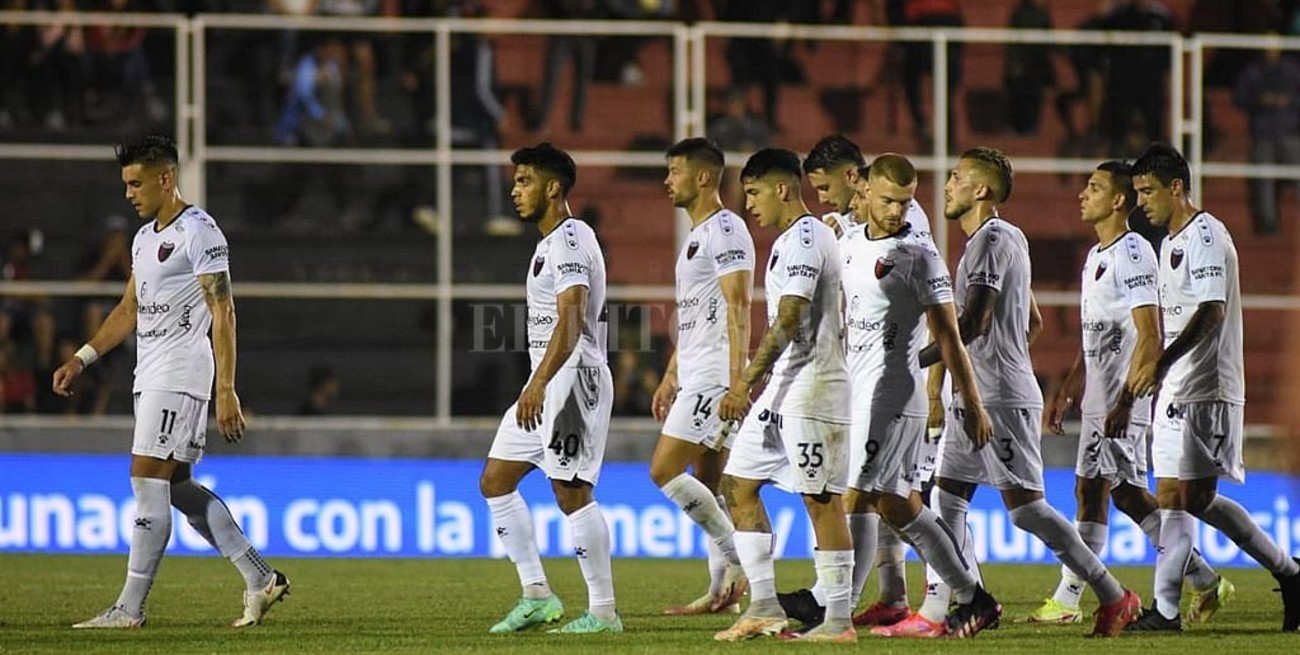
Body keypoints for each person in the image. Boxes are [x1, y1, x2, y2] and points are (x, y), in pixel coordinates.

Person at [54, 134, 289, 629]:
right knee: (177, 487)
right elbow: (129, 309)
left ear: (165, 179)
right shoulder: (143, 239)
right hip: (152, 374)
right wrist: (82, 357)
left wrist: (226, 389)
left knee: (145, 480)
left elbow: (223, 311)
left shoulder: (200, 232)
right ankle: (260, 577)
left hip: (180, 374)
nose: (128, 194)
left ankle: (129, 609)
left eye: (136, 184)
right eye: (125, 184)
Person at [918, 147, 1141, 638]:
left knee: (1027, 511)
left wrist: (914, 359)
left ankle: (1114, 595)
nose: (948, 185)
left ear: (981, 189)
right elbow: (1033, 321)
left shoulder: (989, 241)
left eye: (956, 177)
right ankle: (967, 602)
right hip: (981, 391)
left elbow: (973, 323)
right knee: (947, 498)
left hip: (998, 398)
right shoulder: (1006, 237)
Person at [1031, 161, 1227, 624]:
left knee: (1098, 490)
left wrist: (1126, 399)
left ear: (1118, 200)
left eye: (1094, 187)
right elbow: (1096, 330)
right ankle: (1204, 579)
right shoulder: (1096, 254)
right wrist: (1071, 384)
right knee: (1121, 495)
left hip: (1122, 395)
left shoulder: (1134, 251)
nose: (1082, 195)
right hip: (1099, 396)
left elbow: (1149, 332)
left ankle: (1069, 599)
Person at [1126, 143, 1300, 632]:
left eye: (1148, 191)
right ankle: (1286, 575)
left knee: (1186, 497)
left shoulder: (1206, 235)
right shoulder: (1170, 242)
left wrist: (1161, 362)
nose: (1141, 202)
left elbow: (1211, 311)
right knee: (1178, 495)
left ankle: (1170, 609)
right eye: (1137, 192)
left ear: (1176, 187)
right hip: (1175, 385)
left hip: (1207, 386)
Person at [838, 153, 1004, 640]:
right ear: (865, 191)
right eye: (889, 200)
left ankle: (835, 611)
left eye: (906, 202)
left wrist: (971, 403)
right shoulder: (848, 243)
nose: (897, 211)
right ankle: (973, 597)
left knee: (855, 497)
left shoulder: (919, 255)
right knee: (897, 504)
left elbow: (951, 335)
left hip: (893, 396)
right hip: (859, 391)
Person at [777, 135, 933, 632]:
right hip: (865, 379)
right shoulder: (852, 228)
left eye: (825, 188)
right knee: (885, 498)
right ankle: (892, 596)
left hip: (901, 380)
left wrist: (940, 383)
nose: (822, 199)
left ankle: (833, 601)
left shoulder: (904, 223)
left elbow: (933, 310)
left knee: (883, 497)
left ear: (854, 179)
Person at [478, 143, 621, 635]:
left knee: (571, 493)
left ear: (553, 187)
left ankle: (604, 612)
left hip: (572, 380)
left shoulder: (571, 239)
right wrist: (537, 382)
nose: (515, 191)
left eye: (525, 181)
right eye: (515, 182)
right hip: (546, 381)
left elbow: (573, 315)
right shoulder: (549, 243)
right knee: (496, 480)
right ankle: (537, 595)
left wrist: (539, 382)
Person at [712, 148, 854, 643]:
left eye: (753, 193)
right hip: (785, 387)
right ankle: (765, 606)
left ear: (782, 188)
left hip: (815, 389)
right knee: (738, 483)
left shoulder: (807, 238)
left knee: (821, 501)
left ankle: (839, 621)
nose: (748, 204)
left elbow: (790, 318)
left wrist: (744, 381)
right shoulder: (789, 240)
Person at [650, 137, 754, 616]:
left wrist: (737, 382)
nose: (667, 180)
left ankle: (740, 558)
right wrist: (671, 374)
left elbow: (738, 305)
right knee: (708, 485)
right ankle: (720, 593)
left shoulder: (726, 230)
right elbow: (694, 316)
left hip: (715, 377)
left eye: (675, 171)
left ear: (704, 177)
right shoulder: (697, 236)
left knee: (663, 471)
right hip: (696, 372)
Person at [1232, 38, 1300, 236]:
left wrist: (1289, 101)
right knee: (1264, 180)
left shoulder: (1293, 71)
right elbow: (1240, 97)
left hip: (1290, 132)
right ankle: (1268, 225)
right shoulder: (1253, 72)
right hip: (1263, 134)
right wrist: (1260, 100)